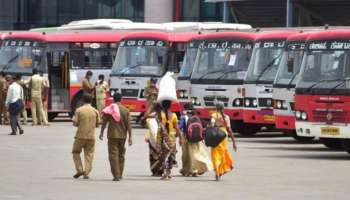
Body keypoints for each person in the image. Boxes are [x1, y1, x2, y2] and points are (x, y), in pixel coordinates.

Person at [99, 93, 132, 181]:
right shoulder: (125, 110)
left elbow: (104, 122)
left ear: (113, 99)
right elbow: (129, 125)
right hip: (122, 136)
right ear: (121, 99)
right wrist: (130, 137)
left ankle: (116, 175)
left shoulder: (110, 109)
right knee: (121, 155)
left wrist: (101, 133)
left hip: (112, 135)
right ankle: (120, 174)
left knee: (113, 155)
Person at [179, 103, 212, 177]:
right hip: (197, 139)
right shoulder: (196, 117)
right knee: (197, 153)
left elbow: (180, 126)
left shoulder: (183, 117)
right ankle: (198, 169)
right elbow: (204, 126)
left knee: (187, 155)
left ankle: (189, 170)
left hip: (187, 138)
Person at [72, 94, 100, 179]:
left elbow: (75, 123)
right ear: (91, 101)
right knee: (89, 154)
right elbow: (97, 124)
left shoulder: (79, 110)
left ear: (83, 100)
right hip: (91, 136)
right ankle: (86, 173)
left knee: (76, 152)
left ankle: (79, 169)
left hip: (80, 136)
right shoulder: (95, 111)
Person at [210, 102, 237, 181]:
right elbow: (229, 129)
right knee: (222, 153)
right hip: (223, 135)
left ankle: (217, 172)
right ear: (223, 108)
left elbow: (211, 124)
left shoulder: (214, 115)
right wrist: (234, 142)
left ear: (216, 108)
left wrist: (211, 127)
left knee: (215, 154)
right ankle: (222, 169)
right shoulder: (226, 117)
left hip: (215, 135)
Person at [158, 100, 183, 180]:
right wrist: (180, 138)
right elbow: (177, 128)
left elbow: (159, 127)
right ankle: (168, 173)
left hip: (163, 138)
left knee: (164, 155)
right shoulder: (174, 115)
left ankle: (165, 173)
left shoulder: (161, 115)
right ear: (170, 106)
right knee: (171, 156)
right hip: (172, 139)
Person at [144, 102, 163, 176]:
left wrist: (151, 106)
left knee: (153, 155)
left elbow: (144, 117)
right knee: (161, 154)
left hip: (153, 140)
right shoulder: (165, 114)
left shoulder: (151, 116)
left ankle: (155, 170)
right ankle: (161, 170)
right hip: (161, 139)